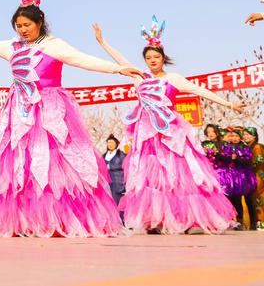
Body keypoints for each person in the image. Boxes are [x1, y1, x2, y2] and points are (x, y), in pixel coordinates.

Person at [0, 0, 142, 237]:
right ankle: (27, 220)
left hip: (50, 109)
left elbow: (83, 59)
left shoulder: (54, 45)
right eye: (18, 26)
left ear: (40, 22)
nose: (22, 30)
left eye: (27, 25)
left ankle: (62, 218)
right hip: (20, 111)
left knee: (57, 162)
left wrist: (117, 70)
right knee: (23, 163)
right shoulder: (12, 46)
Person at [94, 19, 240, 233]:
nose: (152, 60)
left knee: (178, 175)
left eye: (156, 57)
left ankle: (189, 219)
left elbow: (199, 90)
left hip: (170, 134)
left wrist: (228, 103)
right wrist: (102, 42)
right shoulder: (140, 77)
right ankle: (156, 219)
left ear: (163, 58)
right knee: (149, 178)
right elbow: (120, 60)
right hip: (146, 135)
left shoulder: (174, 78)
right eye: (148, 57)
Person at [219, 127, 257, 230]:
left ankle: (254, 223)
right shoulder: (228, 147)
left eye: (236, 136)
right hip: (234, 177)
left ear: (240, 137)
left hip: (245, 176)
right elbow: (225, 159)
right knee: (237, 199)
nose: (234, 138)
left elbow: (248, 162)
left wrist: (237, 159)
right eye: (232, 136)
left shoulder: (245, 147)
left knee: (249, 199)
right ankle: (239, 221)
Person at [103, 135, 126, 207]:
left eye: (112, 143)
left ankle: (120, 217)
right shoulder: (104, 155)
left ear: (116, 144)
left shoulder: (121, 154)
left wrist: (111, 166)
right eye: (109, 143)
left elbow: (125, 165)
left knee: (117, 202)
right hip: (107, 182)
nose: (110, 144)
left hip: (117, 181)